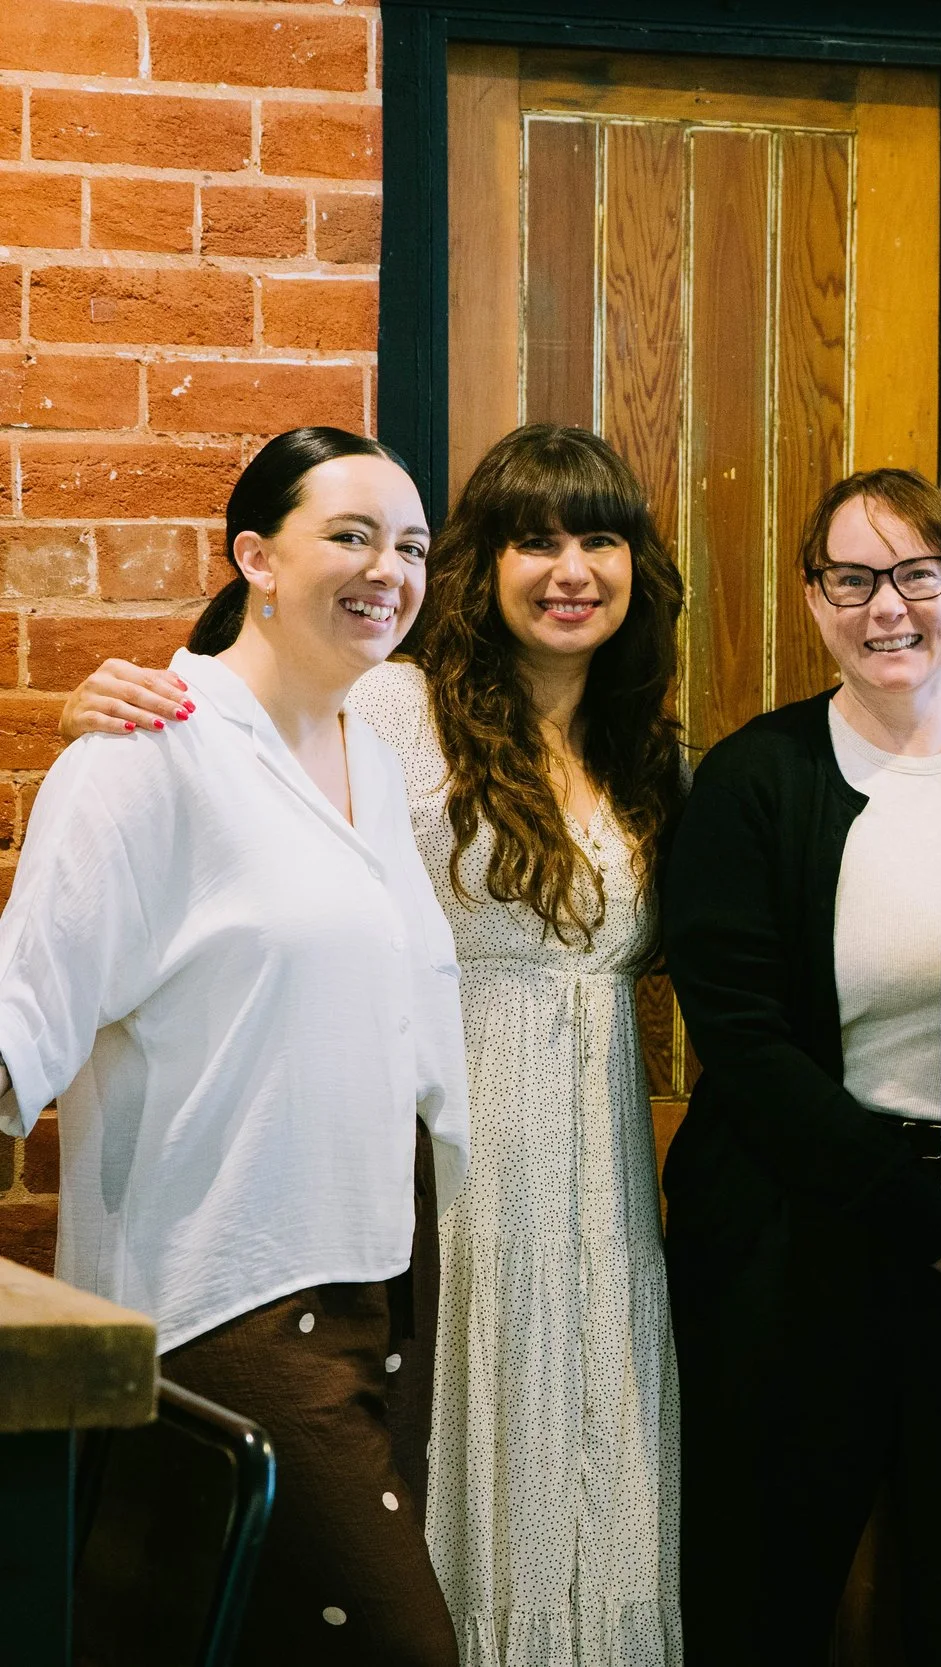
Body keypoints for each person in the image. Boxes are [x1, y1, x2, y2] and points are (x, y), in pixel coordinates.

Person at [58, 424, 691, 1666]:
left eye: (599, 539)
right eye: (534, 540)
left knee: (598, 1485)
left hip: (601, 1196)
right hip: (442, 1187)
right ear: (480, 567)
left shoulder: (648, 750)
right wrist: (124, 695)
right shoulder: (391, 706)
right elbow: (237, 732)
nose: (570, 569)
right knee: (423, 1506)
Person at [0, 428, 470, 1664]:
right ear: (255, 555)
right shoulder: (146, 751)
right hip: (235, 1288)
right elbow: (26, 1008)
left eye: (413, 545)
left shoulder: (369, 745)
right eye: (352, 535)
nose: (390, 569)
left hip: (380, 1272)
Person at [660, 469, 941, 1665]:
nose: (889, 607)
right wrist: (934, 1219)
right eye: (852, 578)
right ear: (813, 599)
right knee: (761, 1592)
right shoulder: (750, 780)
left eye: (917, 574)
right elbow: (748, 1043)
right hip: (796, 1245)